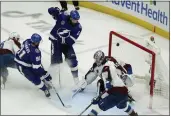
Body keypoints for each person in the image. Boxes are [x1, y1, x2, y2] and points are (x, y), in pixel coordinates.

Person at [87, 50, 138, 116]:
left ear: (102, 59)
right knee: (124, 107)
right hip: (124, 92)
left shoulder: (106, 68)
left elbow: (108, 88)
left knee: (98, 107)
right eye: (95, 59)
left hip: (116, 94)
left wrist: (99, 98)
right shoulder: (111, 63)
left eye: (98, 59)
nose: (96, 61)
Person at [48, 7, 82, 84]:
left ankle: (76, 81)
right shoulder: (62, 16)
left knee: (73, 61)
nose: (75, 21)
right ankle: (49, 80)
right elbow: (50, 11)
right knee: (55, 63)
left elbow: (71, 41)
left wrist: (61, 38)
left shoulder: (78, 27)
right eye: (74, 19)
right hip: (55, 43)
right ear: (70, 17)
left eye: (77, 20)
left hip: (66, 45)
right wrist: (55, 10)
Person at [14, 33, 52, 97]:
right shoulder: (35, 53)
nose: (39, 43)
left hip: (25, 61)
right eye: (39, 41)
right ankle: (45, 89)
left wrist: (34, 60)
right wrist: (45, 74)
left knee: (37, 72)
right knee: (35, 79)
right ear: (36, 42)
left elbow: (25, 48)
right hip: (22, 66)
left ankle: (45, 83)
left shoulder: (27, 41)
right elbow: (36, 68)